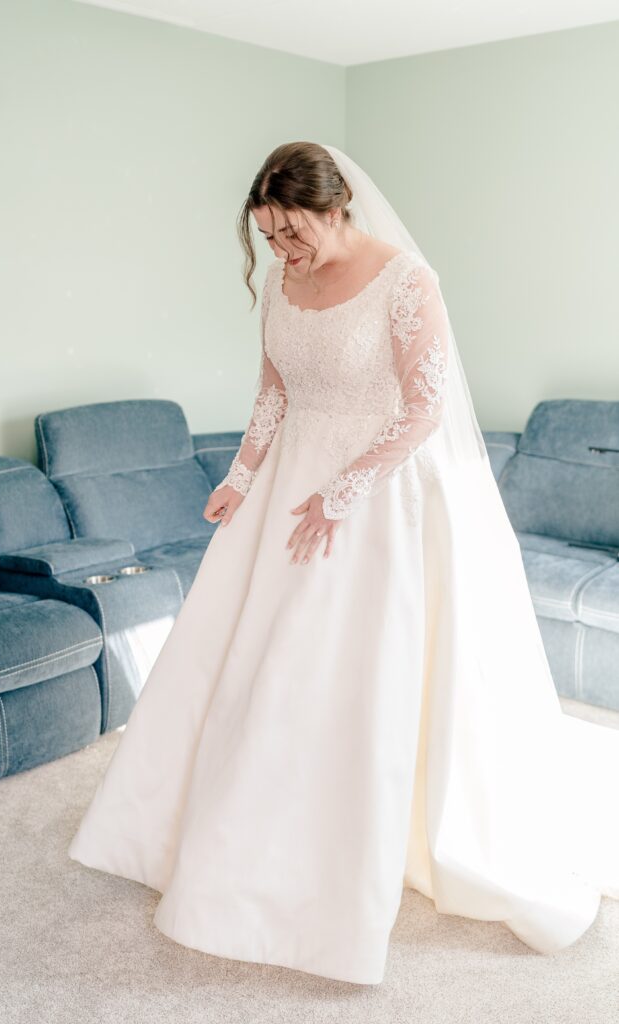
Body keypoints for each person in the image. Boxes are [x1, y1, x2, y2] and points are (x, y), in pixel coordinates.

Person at [68, 142, 619, 986]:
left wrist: (344, 490)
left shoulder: (405, 281)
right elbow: (273, 392)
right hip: (290, 484)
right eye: (267, 236)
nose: (282, 252)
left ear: (335, 208)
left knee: (351, 670)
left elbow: (427, 405)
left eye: (292, 233)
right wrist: (241, 476)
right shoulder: (283, 283)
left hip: (379, 493)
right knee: (258, 665)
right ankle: (232, 834)